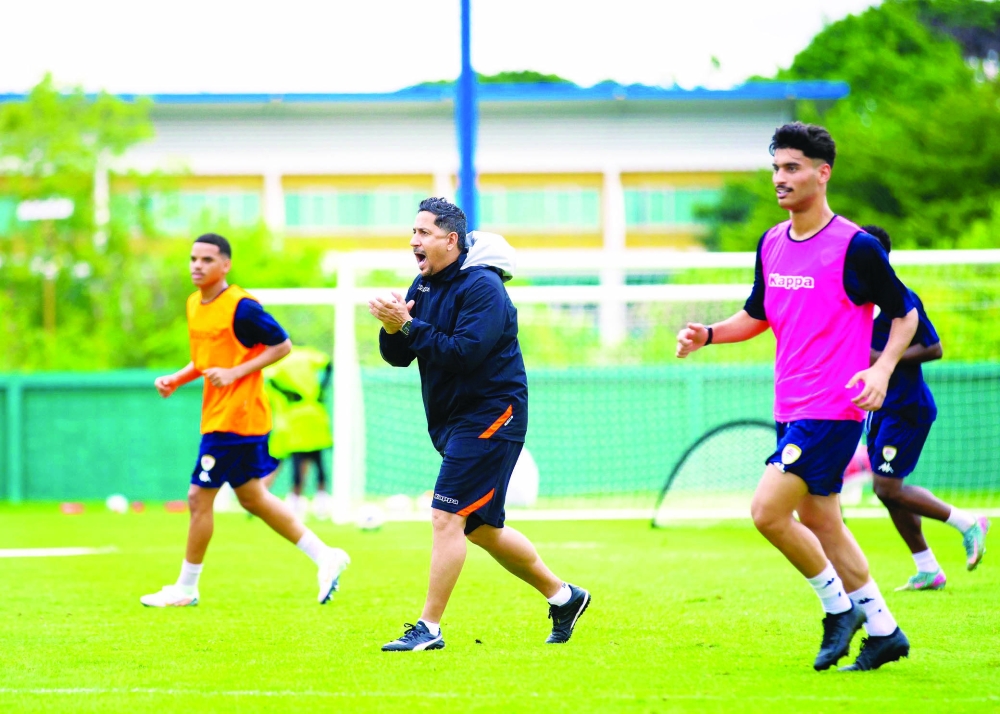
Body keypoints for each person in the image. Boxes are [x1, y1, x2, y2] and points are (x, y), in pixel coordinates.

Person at [676, 123, 918, 672]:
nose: (779, 179)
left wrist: (881, 369)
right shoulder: (771, 243)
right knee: (823, 520)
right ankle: (884, 630)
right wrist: (708, 333)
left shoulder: (855, 246)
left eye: (791, 168)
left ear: (821, 172)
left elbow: (905, 313)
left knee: (766, 512)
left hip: (833, 408)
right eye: (775, 168)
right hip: (790, 407)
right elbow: (757, 315)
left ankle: (839, 609)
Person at [369, 198, 589, 651]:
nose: (414, 241)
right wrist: (393, 326)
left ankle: (428, 629)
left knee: (445, 514)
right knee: (480, 528)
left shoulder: (483, 287)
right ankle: (564, 596)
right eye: (412, 232)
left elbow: (464, 352)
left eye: (424, 233)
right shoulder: (424, 284)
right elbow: (399, 356)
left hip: (492, 414)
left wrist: (408, 325)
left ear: (451, 240)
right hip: (453, 420)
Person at [140, 233, 349, 607]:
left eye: (206, 259)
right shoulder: (194, 305)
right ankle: (325, 555)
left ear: (225, 265)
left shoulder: (242, 307)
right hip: (221, 416)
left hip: (236, 418)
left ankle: (186, 588)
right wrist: (177, 378)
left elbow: (281, 345)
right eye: (193, 259)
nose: (197, 266)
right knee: (253, 497)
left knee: (197, 498)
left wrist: (237, 373)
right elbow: (205, 361)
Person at [860, 224, 989, 590]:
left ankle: (968, 523)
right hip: (879, 409)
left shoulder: (901, 299)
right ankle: (928, 568)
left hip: (906, 407)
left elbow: (934, 348)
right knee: (887, 490)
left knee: (887, 487)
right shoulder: (857, 302)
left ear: (878, 258)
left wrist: (884, 358)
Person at [263, 345, 334, 520]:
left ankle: (299, 503)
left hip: (297, 418)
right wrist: (321, 389)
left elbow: (270, 380)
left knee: (301, 460)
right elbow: (328, 365)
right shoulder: (306, 354)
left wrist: (291, 394)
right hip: (311, 415)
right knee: (314, 461)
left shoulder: (277, 360)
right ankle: (316, 503)